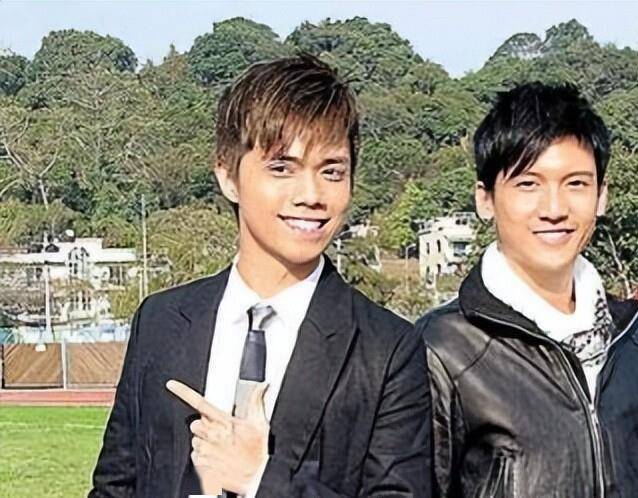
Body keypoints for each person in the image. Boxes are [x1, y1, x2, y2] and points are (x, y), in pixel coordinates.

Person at [89, 54, 432, 498]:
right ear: (227, 177)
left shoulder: (387, 349)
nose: (311, 195)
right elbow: (115, 486)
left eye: (332, 171)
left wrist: (259, 480)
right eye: (282, 168)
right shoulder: (161, 321)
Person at [418, 83, 638, 497]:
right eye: (528, 184)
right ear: (485, 199)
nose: (554, 209)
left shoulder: (632, 339)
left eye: (576, 184)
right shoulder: (442, 348)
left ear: (601, 196)